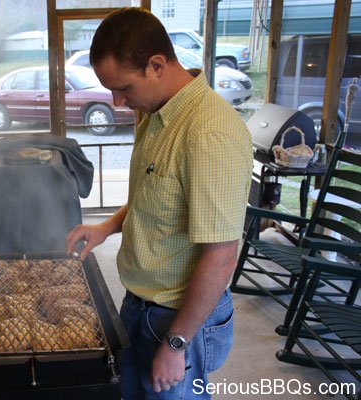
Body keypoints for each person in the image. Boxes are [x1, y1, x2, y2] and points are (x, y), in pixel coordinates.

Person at [65, 7, 253, 400]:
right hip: (140, 304)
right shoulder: (156, 112)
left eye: (124, 88)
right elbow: (150, 200)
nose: (117, 102)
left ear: (156, 64)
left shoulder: (209, 133)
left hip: (178, 319)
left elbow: (220, 257)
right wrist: (106, 227)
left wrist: (176, 344)